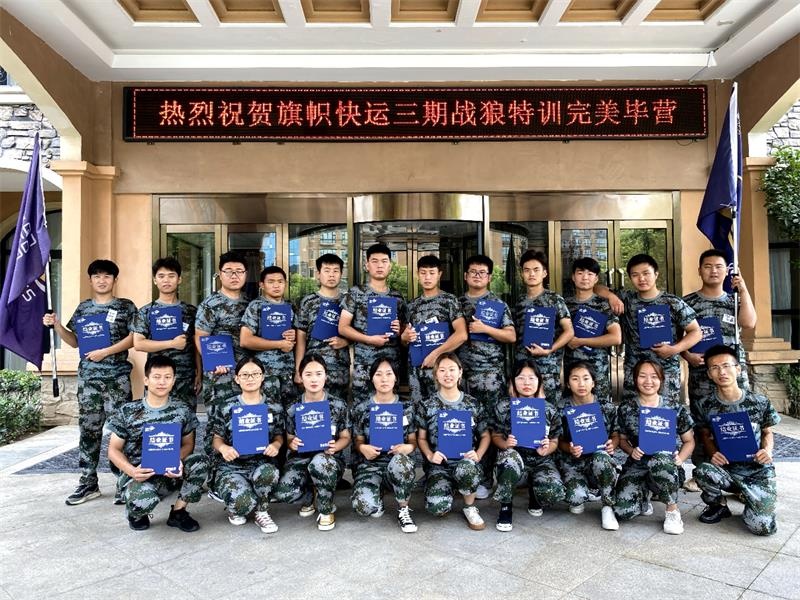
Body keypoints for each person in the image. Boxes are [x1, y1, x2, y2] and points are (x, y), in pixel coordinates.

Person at [42, 259, 136, 505]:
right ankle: (88, 482)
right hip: (89, 381)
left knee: (121, 430)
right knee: (89, 431)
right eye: (97, 276)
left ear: (115, 280)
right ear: (90, 280)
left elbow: (134, 338)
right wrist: (57, 325)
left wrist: (106, 352)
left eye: (107, 276)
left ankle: (124, 481)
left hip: (116, 379)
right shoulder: (83, 308)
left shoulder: (125, 307)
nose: (102, 280)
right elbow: (74, 341)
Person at [681, 249, 756, 491]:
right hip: (702, 374)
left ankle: (742, 475)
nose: (713, 271)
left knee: (737, 420)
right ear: (699, 270)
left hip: (732, 374)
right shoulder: (688, 302)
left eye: (719, 266)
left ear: (727, 271)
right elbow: (677, 338)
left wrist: (742, 289)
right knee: (703, 422)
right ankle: (702, 473)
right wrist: (687, 355)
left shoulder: (734, 300)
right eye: (708, 266)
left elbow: (749, 323)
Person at [107, 355, 208, 532]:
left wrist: (176, 460)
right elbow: (113, 450)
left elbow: (188, 444)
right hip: (139, 473)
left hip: (170, 472)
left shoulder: (182, 410)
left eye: (167, 377)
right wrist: (132, 471)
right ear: (146, 380)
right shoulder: (128, 411)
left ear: (174, 381)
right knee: (143, 503)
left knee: (200, 462)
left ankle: (178, 512)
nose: (162, 382)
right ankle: (136, 511)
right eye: (157, 377)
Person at [694, 345, 779, 536]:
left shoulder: (759, 402)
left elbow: (767, 432)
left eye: (726, 366)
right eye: (715, 368)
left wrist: (767, 451)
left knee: (762, 528)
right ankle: (718, 506)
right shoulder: (704, 405)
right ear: (709, 374)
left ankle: (754, 501)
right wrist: (713, 453)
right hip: (727, 470)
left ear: (738, 369)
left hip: (757, 471)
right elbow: (704, 434)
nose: (721, 372)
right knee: (703, 471)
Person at [597, 254, 702, 406]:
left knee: (665, 415)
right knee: (633, 414)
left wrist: (675, 349)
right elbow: (597, 288)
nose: (641, 279)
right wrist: (612, 297)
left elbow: (696, 332)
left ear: (656, 274)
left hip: (665, 371)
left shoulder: (672, 302)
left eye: (646, 273)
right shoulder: (627, 298)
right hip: (635, 371)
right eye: (635, 275)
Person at [458, 254, 517, 499]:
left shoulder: (498, 304)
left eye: (482, 272)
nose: (477, 276)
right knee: (465, 426)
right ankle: (465, 474)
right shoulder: (457, 303)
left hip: (490, 378)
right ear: (465, 276)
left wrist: (486, 329)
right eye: (473, 272)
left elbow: (511, 336)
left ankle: (485, 479)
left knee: (490, 427)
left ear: (489, 277)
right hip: (461, 378)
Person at [614, 359, 694, 535]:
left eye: (654, 376)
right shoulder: (626, 408)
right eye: (642, 376)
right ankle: (644, 495)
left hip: (665, 465)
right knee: (622, 511)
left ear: (661, 379)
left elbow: (689, 441)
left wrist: (680, 459)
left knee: (660, 460)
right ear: (635, 379)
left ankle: (672, 510)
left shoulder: (673, 407)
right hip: (637, 465)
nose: (648, 381)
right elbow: (622, 440)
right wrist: (631, 450)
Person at [272, 353, 351, 531]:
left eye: (318, 374)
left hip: (328, 459)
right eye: (308, 374)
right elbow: (289, 438)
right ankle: (310, 496)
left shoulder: (338, 405)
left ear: (326, 376)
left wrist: (336, 446)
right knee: (284, 493)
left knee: (320, 463)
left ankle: (326, 508)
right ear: (300, 377)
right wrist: (292, 443)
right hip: (301, 458)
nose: (314, 379)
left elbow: (346, 437)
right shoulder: (293, 408)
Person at [210, 357, 284, 534]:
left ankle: (262, 511)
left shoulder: (274, 407)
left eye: (255, 374)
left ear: (262, 377)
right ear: (237, 379)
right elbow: (216, 438)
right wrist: (224, 448)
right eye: (245, 375)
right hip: (232, 467)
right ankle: (236, 502)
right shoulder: (226, 406)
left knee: (269, 473)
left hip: (261, 464)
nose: (250, 378)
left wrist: (276, 445)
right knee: (242, 505)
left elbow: (279, 435)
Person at [417, 352, 490, 530]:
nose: (447, 374)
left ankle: (469, 506)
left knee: (467, 468)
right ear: (435, 375)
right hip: (439, 465)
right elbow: (421, 438)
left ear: (460, 372)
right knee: (437, 507)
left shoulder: (472, 404)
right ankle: (446, 488)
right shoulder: (427, 405)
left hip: (465, 463)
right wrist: (429, 455)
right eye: (442, 370)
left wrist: (478, 454)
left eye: (452, 369)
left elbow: (485, 436)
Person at [493, 359, 565, 532]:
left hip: (541, 461)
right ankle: (506, 506)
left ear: (539, 381)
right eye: (521, 378)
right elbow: (495, 435)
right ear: (513, 382)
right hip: (514, 460)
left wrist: (547, 448)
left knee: (554, 492)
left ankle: (535, 493)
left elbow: (555, 440)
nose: (526, 383)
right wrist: (506, 444)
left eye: (531, 378)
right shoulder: (503, 407)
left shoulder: (548, 409)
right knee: (509, 459)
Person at [351, 358, 418, 533]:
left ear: (396, 378)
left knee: (401, 462)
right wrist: (362, 448)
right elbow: (358, 440)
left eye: (389, 374)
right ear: (371, 378)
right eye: (378, 374)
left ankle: (403, 508)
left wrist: (409, 448)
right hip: (371, 465)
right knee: (363, 506)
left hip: (396, 463)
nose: (384, 379)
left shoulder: (407, 407)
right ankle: (377, 494)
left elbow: (413, 440)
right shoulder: (361, 408)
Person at [194, 251, 251, 456]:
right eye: (229, 271)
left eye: (239, 271)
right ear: (220, 274)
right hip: (220, 375)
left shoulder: (250, 303)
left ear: (245, 274)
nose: (234, 276)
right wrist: (212, 363)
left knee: (244, 420)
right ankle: (214, 467)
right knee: (217, 424)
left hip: (246, 375)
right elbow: (200, 337)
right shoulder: (210, 305)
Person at [339, 243, 407, 411]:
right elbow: (343, 327)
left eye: (384, 261)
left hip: (390, 367)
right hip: (364, 365)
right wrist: (368, 339)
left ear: (390, 265)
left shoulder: (397, 297)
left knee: (388, 413)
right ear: (367, 265)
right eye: (375, 261)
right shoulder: (355, 293)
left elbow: (404, 333)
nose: (379, 265)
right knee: (361, 411)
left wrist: (399, 330)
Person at [556, 361, 620, 531]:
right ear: (568, 384)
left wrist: (612, 445)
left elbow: (616, 435)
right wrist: (569, 448)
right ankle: (585, 490)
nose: (581, 384)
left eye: (586, 378)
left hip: (598, 460)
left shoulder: (606, 407)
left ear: (593, 382)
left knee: (601, 458)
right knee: (575, 498)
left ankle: (607, 505)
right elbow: (558, 440)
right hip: (573, 463)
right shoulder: (561, 407)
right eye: (575, 379)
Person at [401, 254, 467, 412]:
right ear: (417, 275)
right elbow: (404, 341)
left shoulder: (449, 301)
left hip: (442, 372)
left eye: (432, 273)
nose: (427, 277)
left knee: (443, 413)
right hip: (416, 371)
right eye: (423, 273)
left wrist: (436, 355)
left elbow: (462, 334)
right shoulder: (411, 305)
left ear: (439, 274)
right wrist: (404, 337)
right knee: (419, 413)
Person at [133, 257, 200, 409]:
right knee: (157, 417)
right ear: (155, 280)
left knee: (186, 418)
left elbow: (197, 345)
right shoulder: (146, 311)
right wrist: (172, 344)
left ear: (179, 279)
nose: (166, 280)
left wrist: (199, 373)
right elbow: (139, 343)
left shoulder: (190, 311)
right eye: (161, 276)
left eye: (171, 276)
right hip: (157, 378)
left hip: (185, 377)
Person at [514, 250, 574, 407]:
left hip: (547, 368)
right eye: (527, 270)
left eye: (536, 270)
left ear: (544, 273)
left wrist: (549, 350)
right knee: (526, 411)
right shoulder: (519, 302)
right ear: (522, 274)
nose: (531, 274)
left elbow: (569, 331)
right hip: (523, 370)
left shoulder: (554, 299)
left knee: (549, 411)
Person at [564, 257, 622, 406]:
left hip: (597, 370)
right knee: (573, 411)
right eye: (580, 273)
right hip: (572, 370)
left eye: (590, 274)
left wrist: (581, 341)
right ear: (573, 277)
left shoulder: (604, 305)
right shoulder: (564, 304)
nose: (585, 277)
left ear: (596, 279)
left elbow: (616, 337)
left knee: (599, 411)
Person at [294, 253, 350, 403]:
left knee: (338, 410)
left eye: (336, 271)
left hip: (340, 369)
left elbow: (358, 332)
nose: (331, 275)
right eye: (327, 270)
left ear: (341, 274)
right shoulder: (308, 301)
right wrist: (298, 369)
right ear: (318, 274)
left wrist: (346, 341)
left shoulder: (348, 301)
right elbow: (301, 337)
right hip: (313, 370)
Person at [240, 266, 297, 409]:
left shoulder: (291, 307)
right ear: (262, 284)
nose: (276, 285)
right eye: (271, 282)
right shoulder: (256, 306)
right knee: (269, 415)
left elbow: (300, 338)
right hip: (265, 374)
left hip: (288, 373)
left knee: (290, 415)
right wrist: (279, 344)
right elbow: (245, 340)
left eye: (280, 281)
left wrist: (293, 335)